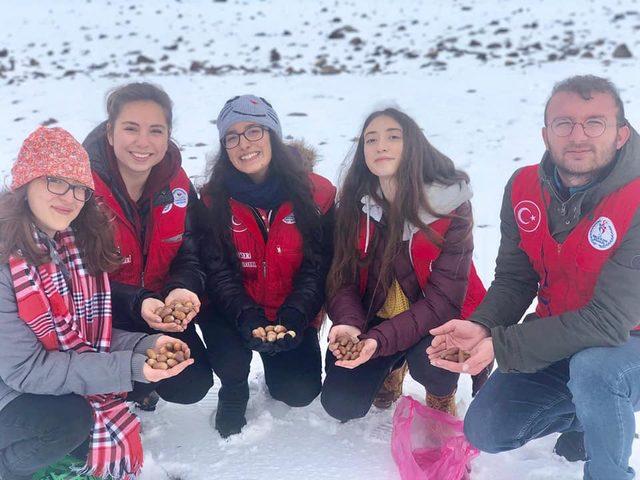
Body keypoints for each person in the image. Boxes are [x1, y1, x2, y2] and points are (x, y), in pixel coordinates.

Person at [428, 75, 640, 480]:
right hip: (558, 332)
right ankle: (586, 414)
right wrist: (482, 325)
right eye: (564, 124)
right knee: (488, 429)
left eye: (594, 122)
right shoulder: (524, 186)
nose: (578, 135)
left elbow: (610, 321)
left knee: (597, 371)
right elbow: (514, 277)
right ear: (546, 134)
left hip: (629, 342)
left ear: (620, 134)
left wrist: (503, 345)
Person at [0, 126, 193, 480]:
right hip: (11, 383)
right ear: (26, 183)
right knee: (68, 421)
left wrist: (144, 346)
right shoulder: (5, 260)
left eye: (79, 188)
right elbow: (24, 371)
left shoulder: (66, 247)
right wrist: (128, 366)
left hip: (29, 380)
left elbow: (84, 336)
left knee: (86, 422)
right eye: (55, 181)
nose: (70, 196)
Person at [320, 108, 488, 422]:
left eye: (392, 137)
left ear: (413, 145)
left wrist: (378, 341)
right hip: (375, 319)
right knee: (341, 404)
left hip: (437, 319)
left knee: (435, 360)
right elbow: (340, 278)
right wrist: (348, 323)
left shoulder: (450, 205)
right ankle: (393, 367)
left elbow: (444, 300)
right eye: (371, 140)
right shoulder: (353, 205)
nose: (380, 146)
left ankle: (441, 393)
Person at [198, 95, 336, 437]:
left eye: (253, 131)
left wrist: (296, 314)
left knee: (299, 391)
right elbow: (216, 271)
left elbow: (318, 266)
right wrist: (246, 315)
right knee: (230, 362)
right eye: (232, 137)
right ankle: (234, 385)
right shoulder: (212, 199)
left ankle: (278, 362)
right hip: (232, 310)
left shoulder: (318, 194)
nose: (243, 144)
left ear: (273, 133)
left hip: (288, 309)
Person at [83, 82, 213, 411]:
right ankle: (113, 393)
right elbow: (72, 278)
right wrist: (137, 300)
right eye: (131, 128)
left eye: (156, 130)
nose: (143, 142)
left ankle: (143, 386)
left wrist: (181, 288)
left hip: (160, 311)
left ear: (168, 135)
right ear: (110, 133)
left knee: (192, 383)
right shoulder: (80, 189)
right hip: (98, 318)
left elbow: (190, 250)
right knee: (105, 389)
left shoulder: (178, 184)